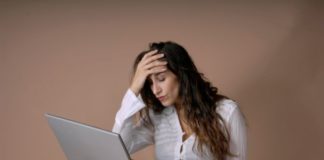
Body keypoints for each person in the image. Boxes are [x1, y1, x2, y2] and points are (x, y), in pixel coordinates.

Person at [112, 41, 247, 160]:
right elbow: (118, 147)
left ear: (181, 75)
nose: (155, 90)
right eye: (150, 83)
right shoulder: (157, 116)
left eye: (161, 79)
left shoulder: (227, 112)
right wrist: (134, 89)